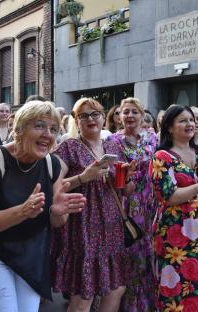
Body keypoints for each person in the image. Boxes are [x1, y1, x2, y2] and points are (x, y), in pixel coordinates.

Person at [0, 100, 86, 311]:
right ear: (19, 129)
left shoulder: (52, 163)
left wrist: (57, 213)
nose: (48, 134)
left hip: (31, 250)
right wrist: (22, 211)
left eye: (54, 129)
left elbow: (56, 220)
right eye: (39, 125)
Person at [52, 98, 135, 312]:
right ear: (76, 121)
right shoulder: (68, 147)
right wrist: (83, 177)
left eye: (95, 114)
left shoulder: (112, 145)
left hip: (112, 226)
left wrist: (126, 177)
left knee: (116, 289)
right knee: (84, 295)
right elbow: (55, 186)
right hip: (83, 227)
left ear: (103, 117)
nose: (90, 119)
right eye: (84, 115)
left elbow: (126, 191)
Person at [150, 104, 198, 311]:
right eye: (183, 120)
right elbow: (169, 197)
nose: (190, 124)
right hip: (175, 228)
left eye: (192, 120)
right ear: (169, 127)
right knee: (176, 281)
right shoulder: (162, 157)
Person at [106, 98, 157, 311]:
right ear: (119, 117)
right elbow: (115, 180)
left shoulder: (152, 138)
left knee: (151, 253)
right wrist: (128, 175)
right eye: (125, 112)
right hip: (126, 203)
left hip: (151, 202)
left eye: (134, 112)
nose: (129, 116)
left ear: (142, 115)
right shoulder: (112, 141)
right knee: (130, 254)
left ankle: (149, 303)